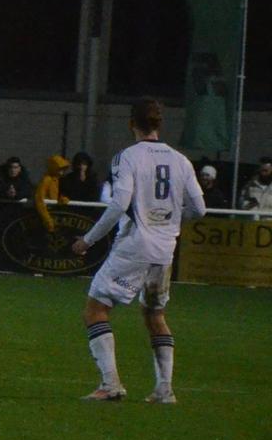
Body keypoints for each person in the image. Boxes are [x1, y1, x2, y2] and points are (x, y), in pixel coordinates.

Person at [71, 98, 205, 404]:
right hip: (165, 248)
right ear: (159, 124)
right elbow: (199, 208)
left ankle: (110, 384)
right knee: (155, 314)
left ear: (132, 123)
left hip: (136, 244)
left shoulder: (126, 158)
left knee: (95, 310)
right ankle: (164, 389)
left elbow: (119, 204)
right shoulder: (181, 160)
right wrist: (169, 217)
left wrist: (87, 240)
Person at [34, 155, 71, 233]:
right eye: (60, 168)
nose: (63, 171)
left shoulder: (57, 180)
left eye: (63, 169)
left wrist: (61, 199)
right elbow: (39, 200)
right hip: (46, 216)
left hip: (54, 213)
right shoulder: (46, 180)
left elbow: (56, 194)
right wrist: (47, 220)